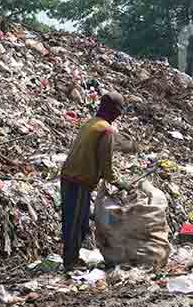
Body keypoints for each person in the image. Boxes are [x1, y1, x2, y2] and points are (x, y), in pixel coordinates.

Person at [60, 92, 127, 271]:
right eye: (119, 110)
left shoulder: (91, 123)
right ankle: (70, 261)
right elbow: (106, 165)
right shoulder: (106, 130)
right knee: (75, 222)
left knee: (78, 220)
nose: (119, 115)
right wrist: (120, 183)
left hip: (69, 176)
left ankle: (72, 258)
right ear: (114, 111)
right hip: (79, 179)